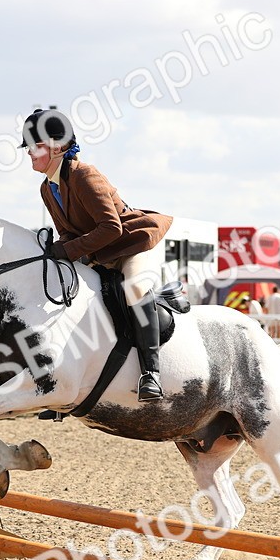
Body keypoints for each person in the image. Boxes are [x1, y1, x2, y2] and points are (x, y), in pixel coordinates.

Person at [20, 108, 173, 401]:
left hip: (131, 246)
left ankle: (151, 373)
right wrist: (61, 250)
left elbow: (111, 228)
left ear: (56, 146)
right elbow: (68, 231)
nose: (28, 152)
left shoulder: (84, 175)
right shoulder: (47, 188)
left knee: (134, 288)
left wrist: (67, 250)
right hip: (99, 253)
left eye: (33, 145)